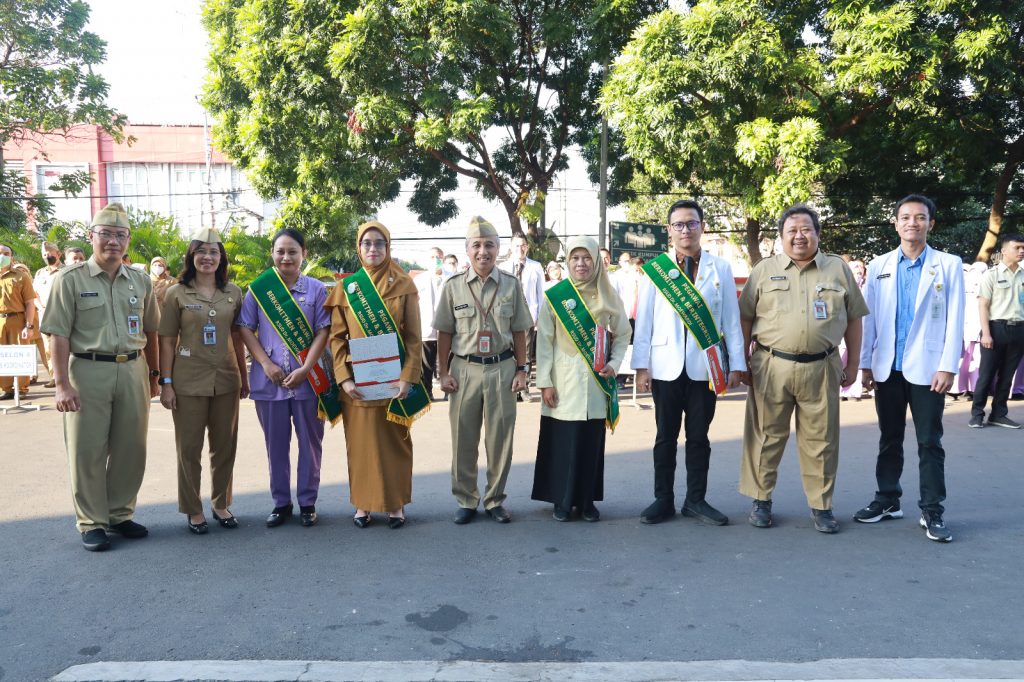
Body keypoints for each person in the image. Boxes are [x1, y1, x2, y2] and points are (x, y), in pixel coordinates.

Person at [738, 204, 868, 533]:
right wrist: (741, 362)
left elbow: (853, 318)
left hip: (822, 366)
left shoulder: (838, 270)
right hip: (770, 365)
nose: (799, 236)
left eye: (806, 229)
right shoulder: (763, 271)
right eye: (791, 230)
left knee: (821, 440)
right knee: (766, 436)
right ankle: (761, 500)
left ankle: (821, 506)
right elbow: (745, 318)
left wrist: (853, 363)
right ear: (781, 237)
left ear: (817, 233)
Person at [41, 203, 160, 551]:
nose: (113, 241)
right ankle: (91, 521)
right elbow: (58, 335)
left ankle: (119, 514)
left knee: (131, 446)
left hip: (133, 368)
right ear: (92, 237)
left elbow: (151, 332)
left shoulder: (140, 281)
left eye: (120, 235)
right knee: (87, 449)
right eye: (105, 234)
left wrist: (154, 376)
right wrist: (62, 384)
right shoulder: (69, 279)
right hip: (87, 370)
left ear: (128, 241)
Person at [856, 194, 964, 543]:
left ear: (931, 223)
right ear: (895, 223)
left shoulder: (948, 264)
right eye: (905, 217)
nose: (912, 223)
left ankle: (932, 509)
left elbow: (955, 319)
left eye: (920, 217)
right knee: (889, 438)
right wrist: (866, 365)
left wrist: (948, 366)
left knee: (929, 441)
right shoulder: (880, 265)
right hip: (888, 367)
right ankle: (887, 499)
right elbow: (869, 320)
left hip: (929, 368)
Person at [632, 200, 746, 526]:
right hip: (665, 366)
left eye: (691, 223)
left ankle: (696, 500)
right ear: (669, 230)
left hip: (705, 368)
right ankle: (662, 499)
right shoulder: (655, 271)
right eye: (679, 224)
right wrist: (642, 367)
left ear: (702, 227)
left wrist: (736, 364)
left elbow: (731, 321)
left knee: (699, 437)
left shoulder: (720, 268)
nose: (685, 230)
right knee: (664, 437)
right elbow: (645, 323)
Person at [327, 221, 427, 529]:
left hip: (394, 383)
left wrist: (408, 377)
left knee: (395, 442)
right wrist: (344, 378)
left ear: (388, 247)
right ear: (358, 248)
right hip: (358, 384)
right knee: (360, 446)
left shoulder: (403, 285)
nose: (373, 249)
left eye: (379, 243)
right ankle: (363, 504)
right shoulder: (347, 288)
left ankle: (395, 504)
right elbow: (337, 338)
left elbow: (413, 337)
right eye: (367, 243)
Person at [433, 216, 533, 524]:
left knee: (500, 438)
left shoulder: (511, 285)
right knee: (463, 438)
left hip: (502, 369)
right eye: (476, 245)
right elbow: (445, 334)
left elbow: (519, 331)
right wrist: (443, 373)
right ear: (467, 250)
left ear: (498, 249)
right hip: (464, 370)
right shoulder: (453, 288)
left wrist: (521, 369)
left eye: (489, 245)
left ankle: (494, 499)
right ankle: (466, 499)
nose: (483, 251)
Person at [238, 228, 333, 528]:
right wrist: (264, 363)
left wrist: (306, 368)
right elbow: (244, 327)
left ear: (304, 254)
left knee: (310, 444)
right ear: (272, 254)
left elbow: (324, 331)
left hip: (308, 380)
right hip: (270, 382)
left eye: (293, 251)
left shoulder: (317, 289)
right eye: (280, 251)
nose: (286, 257)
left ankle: (308, 502)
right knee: (275, 446)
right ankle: (281, 503)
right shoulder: (259, 289)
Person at [533, 236, 632, 521]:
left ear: (596, 261)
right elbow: (545, 341)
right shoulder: (556, 295)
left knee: (590, 442)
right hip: (562, 380)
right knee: (564, 442)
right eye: (575, 258)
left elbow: (623, 332)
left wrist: (614, 363)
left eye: (586, 257)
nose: (581, 263)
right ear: (567, 262)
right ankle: (562, 501)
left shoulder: (608, 294)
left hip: (595, 382)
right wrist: (545, 382)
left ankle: (587, 501)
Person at [158, 228, 249, 534]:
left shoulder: (233, 293)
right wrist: (166, 383)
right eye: (201, 252)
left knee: (225, 446)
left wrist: (244, 376)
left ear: (221, 258)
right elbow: (167, 340)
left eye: (213, 252)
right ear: (191, 256)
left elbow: (238, 337)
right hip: (187, 380)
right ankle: (193, 508)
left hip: (226, 378)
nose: (207, 257)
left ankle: (221, 503)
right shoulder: (176, 293)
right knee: (189, 448)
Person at [969, 233, 1024, 428]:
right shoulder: (991, 275)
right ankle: (977, 414)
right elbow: (983, 306)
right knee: (987, 374)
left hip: (1019, 330)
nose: (1021, 251)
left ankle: (999, 413)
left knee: (1007, 375)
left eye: (1023, 247)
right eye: (1017, 247)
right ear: (1004, 251)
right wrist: (986, 333)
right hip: (996, 328)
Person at [500, 234, 544, 398]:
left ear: (527, 247)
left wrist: (540, 316)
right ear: (511, 247)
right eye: (517, 245)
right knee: (508, 350)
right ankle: (509, 386)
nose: (520, 248)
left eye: (523, 245)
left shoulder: (536, 266)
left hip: (528, 315)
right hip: (506, 316)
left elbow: (541, 293)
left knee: (525, 352)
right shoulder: (502, 267)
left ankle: (523, 386)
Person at [0, 243, 37, 399]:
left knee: (20, 354)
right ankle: (6, 389)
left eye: (6, 253)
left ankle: (21, 389)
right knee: (2, 356)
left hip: (18, 319)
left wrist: (28, 326)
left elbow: (29, 303)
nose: (2, 256)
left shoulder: (21, 276)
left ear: (11, 257)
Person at [956, 261, 988, 398]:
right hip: (961, 328)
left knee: (977, 359)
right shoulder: (956, 287)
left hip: (978, 328)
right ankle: (956, 388)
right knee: (960, 359)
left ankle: (975, 388)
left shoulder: (985, 286)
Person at [32, 241, 62, 386]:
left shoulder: (67, 271)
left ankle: (68, 376)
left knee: (66, 346)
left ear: (59, 254)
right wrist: (40, 306)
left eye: (50, 253)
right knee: (48, 348)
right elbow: (34, 294)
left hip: (63, 314)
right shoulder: (40, 273)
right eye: (44, 254)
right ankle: (54, 377)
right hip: (45, 316)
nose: (47, 256)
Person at [416, 247, 444, 400]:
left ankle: (449, 391)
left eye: (439, 257)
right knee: (426, 364)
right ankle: (427, 392)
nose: (436, 260)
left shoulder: (452, 278)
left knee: (447, 362)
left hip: (446, 328)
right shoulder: (418, 280)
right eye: (433, 257)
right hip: (426, 326)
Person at [840, 259, 868, 401]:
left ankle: (854, 392)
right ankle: (842, 391)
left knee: (855, 359)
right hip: (841, 332)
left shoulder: (865, 284)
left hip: (859, 329)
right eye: (855, 267)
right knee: (842, 359)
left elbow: (857, 313)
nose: (859, 270)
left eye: (860, 267)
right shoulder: (843, 281)